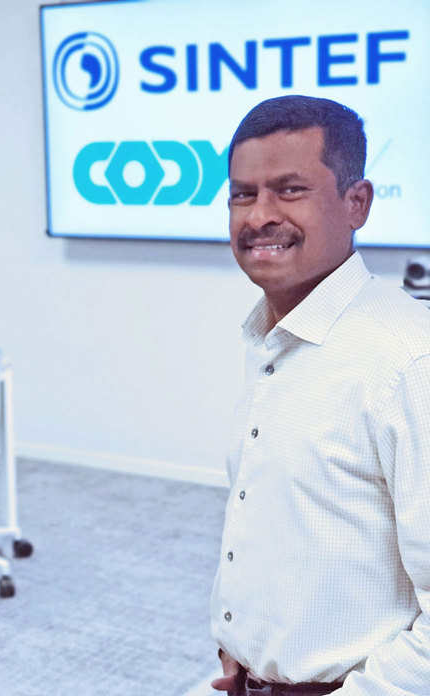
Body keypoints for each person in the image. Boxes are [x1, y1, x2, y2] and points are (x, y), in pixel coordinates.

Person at [210, 94, 430, 695]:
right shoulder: (271, 337)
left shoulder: (409, 361)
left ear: (356, 203)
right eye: (243, 194)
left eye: (290, 189)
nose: (260, 216)